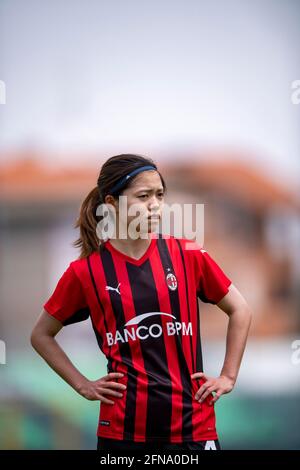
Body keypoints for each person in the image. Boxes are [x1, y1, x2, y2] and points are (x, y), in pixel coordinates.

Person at [31, 153, 252, 451]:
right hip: (122, 433)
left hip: (193, 428)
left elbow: (240, 309)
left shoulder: (187, 254)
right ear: (111, 203)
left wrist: (228, 376)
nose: (154, 205)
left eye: (159, 195)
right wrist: (83, 385)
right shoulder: (86, 272)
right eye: (143, 196)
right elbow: (41, 335)